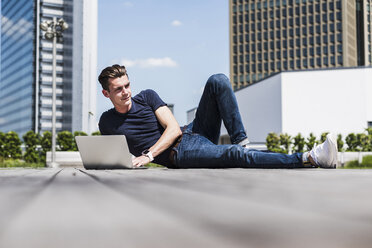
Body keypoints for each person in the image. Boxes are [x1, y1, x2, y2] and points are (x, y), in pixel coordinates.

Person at [98, 64, 338, 169]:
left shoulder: (147, 96)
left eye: (127, 85)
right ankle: (310, 158)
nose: (126, 92)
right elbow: (114, 156)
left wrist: (148, 155)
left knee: (218, 81)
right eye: (118, 89)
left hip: (190, 132)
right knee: (233, 155)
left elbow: (173, 129)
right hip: (180, 154)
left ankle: (241, 141)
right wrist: (133, 161)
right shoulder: (106, 122)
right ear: (106, 93)